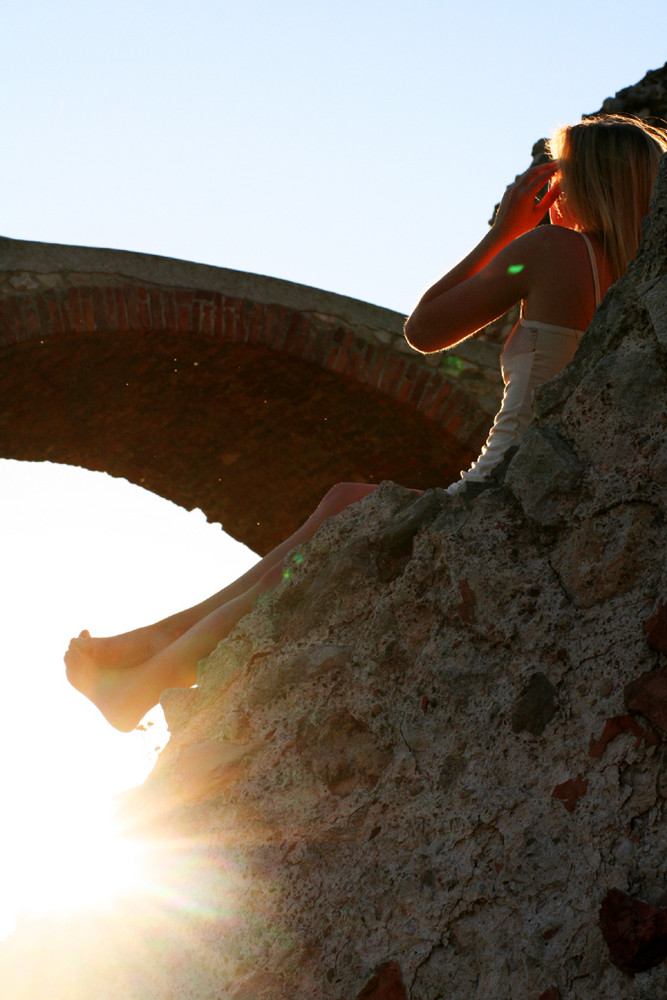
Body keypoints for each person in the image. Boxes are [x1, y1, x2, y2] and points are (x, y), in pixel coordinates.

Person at [65, 114, 667, 732]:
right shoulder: (639, 283)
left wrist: (503, 231)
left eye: (561, 177)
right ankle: (152, 652)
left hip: (499, 487)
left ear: (590, 184)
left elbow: (425, 330)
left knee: (341, 512)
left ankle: (148, 668)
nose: (553, 194)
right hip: (547, 488)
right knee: (345, 502)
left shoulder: (552, 249)